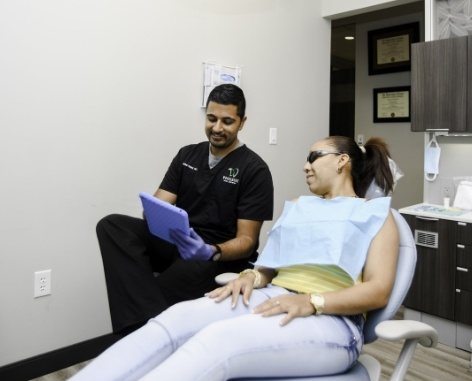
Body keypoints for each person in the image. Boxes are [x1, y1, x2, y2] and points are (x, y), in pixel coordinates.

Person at [71, 136, 399, 381]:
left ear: (342, 161)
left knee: (217, 340)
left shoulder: (375, 214)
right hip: (273, 296)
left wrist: (313, 302)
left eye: (314, 157)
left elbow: (379, 290)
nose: (305, 165)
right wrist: (250, 277)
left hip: (334, 321)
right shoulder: (300, 207)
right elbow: (269, 267)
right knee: (172, 320)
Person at [96, 84, 274, 335]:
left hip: (215, 253)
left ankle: (140, 336)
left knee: (156, 292)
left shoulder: (254, 169)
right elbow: (161, 201)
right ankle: (148, 328)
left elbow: (247, 240)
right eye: (211, 119)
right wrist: (154, 213)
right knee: (111, 225)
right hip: (179, 239)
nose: (217, 128)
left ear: (242, 123)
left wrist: (211, 251)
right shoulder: (187, 155)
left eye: (227, 121)